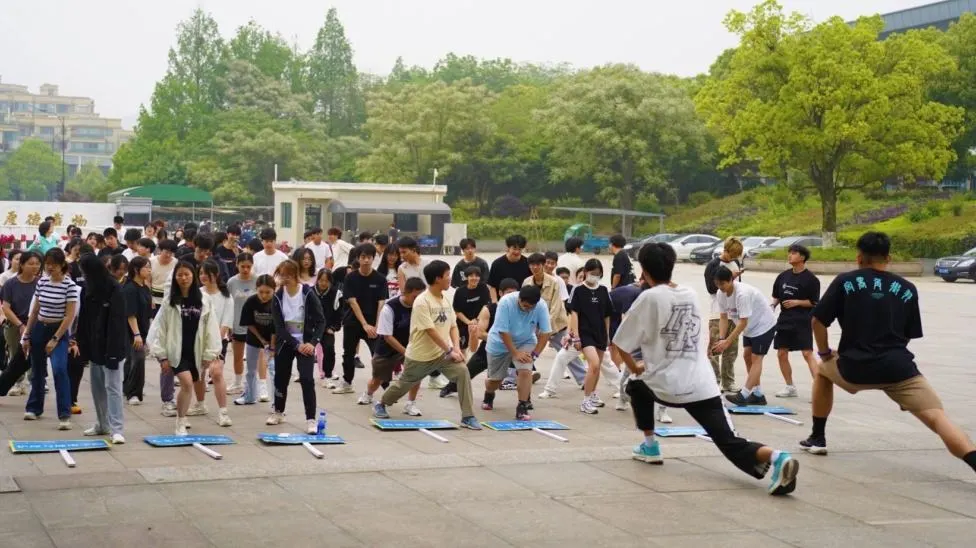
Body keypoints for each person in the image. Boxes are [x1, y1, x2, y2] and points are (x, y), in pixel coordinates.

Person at [614, 243, 799, 496]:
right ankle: (778, 457)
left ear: (644, 271)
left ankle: (650, 445)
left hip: (665, 385)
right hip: (702, 384)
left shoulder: (648, 298)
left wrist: (635, 367)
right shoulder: (689, 293)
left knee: (635, 385)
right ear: (672, 266)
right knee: (729, 442)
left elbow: (621, 342)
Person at [802, 232, 976, 474]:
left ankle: (817, 437)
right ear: (889, 258)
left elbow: (817, 321)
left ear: (859, 257)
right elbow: (908, 334)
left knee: (822, 370)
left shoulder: (845, 281)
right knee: (938, 418)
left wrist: (824, 352)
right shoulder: (907, 288)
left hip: (854, 368)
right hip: (899, 369)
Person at [373, 261, 482, 430]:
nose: (450, 278)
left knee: (462, 372)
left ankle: (468, 416)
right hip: (420, 356)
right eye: (447, 275)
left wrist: (456, 348)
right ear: (438, 278)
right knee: (403, 385)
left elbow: (453, 326)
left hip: (441, 354)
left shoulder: (445, 300)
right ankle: (382, 403)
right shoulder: (422, 301)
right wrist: (450, 350)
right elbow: (430, 330)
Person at [148, 260, 222, 435]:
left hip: (196, 351)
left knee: (190, 385)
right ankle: (180, 422)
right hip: (176, 351)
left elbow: (211, 327)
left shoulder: (204, 300)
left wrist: (210, 353)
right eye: (179, 275)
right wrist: (162, 356)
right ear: (174, 277)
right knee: (187, 384)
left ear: (193, 276)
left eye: (187, 274)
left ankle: (182, 416)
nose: (183, 278)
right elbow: (160, 329)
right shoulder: (169, 302)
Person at [22, 248, 79, 429]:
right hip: (40, 328)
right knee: (37, 370)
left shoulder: (70, 286)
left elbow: (69, 316)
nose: (49, 268)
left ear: (62, 265)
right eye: (47, 264)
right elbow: (35, 311)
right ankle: (34, 408)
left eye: (53, 265)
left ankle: (64, 414)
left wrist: (55, 338)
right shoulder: (42, 282)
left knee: (59, 369)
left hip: (59, 330)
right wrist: (26, 334)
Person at [266, 260, 325, 432]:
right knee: (281, 377)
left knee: (307, 379)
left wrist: (312, 343)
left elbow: (321, 321)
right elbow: (279, 328)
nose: (285, 278)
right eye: (282, 275)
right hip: (286, 342)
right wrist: (296, 345)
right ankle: (278, 411)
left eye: (288, 275)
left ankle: (311, 419)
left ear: (295, 274)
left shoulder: (307, 293)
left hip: (306, 343)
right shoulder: (278, 296)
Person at [77, 252, 128, 443]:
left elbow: (117, 322)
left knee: (113, 387)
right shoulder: (88, 289)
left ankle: (117, 428)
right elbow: (84, 320)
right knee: (97, 387)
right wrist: (83, 344)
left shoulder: (114, 288)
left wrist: (113, 353)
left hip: (113, 345)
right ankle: (102, 424)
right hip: (95, 345)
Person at [439, 278, 520, 398]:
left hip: (512, 350)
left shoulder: (521, 309)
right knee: (467, 372)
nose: (511, 297)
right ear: (500, 293)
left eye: (514, 293)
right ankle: (451, 387)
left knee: (524, 372)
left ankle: (525, 400)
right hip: (488, 348)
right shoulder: (489, 309)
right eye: (508, 293)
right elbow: (480, 333)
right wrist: (502, 340)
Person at [483, 285, 551, 420]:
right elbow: (503, 331)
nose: (527, 310)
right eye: (525, 306)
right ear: (519, 299)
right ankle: (489, 393)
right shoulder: (506, 302)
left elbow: (546, 332)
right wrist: (515, 353)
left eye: (531, 307)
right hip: (499, 343)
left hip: (525, 340)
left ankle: (522, 406)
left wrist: (535, 354)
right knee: (496, 380)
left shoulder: (541, 306)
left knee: (525, 370)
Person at [358, 277, 426, 413]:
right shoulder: (389, 308)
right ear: (405, 292)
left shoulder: (421, 307)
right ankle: (369, 394)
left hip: (410, 346)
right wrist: (406, 352)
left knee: (416, 375)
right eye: (415, 297)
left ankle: (410, 403)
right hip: (387, 348)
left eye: (421, 297)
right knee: (378, 379)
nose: (418, 300)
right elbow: (387, 336)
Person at [714, 266, 778, 406]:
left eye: (722, 283)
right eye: (717, 284)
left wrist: (728, 342)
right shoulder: (720, 293)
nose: (720, 287)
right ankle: (757, 394)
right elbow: (723, 317)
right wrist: (722, 339)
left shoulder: (742, 294)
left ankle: (743, 395)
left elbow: (743, 322)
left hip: (763, 325)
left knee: (756, 358)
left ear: (731, 280)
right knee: (747, 356)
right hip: (750, 328)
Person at [337, 244, 388, 394]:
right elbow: (352, 302)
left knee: (378, 355)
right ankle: (347, 382)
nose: (366, 260)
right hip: (353, 321)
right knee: (348, 353)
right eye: (363, 257)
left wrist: (377, 326)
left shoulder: (380, 279)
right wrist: (364, 324)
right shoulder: (350, 278)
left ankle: (385, 385)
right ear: (358, 258)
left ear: (373, 258)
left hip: (373, 324)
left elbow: (381, 303)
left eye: (369, 257)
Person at [566, 259, 615, 415]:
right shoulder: (578, 290)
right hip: (585, 333)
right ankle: (585, 401)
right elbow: (574, 313)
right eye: (592, 273)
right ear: (586, 272)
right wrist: (576, 336)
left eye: (598, 274)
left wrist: (607, 335)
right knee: (593, 364)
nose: (595, 276)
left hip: (600, 332)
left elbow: (607, 315)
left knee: (597, 366)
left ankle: (593, 393)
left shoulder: (603, 290)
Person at [771, 244, 821, 399]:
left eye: (793, 253)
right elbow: (776, 296)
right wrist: (772, 305)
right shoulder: (783, 276)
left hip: (802, 320)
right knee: (781, 353)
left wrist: (798, 302)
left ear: (802, 257)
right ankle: (790, 386)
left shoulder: (811, 279)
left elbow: (814, 302)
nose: (789, 255)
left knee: (807, 353)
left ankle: (820, 389)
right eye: (789, 253)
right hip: (785, 319)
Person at [193, 260, 234, 427]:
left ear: (216, 275)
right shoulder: (197, 293)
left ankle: (223, 412)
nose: (203, 276)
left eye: (206, 273)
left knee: (216, 373)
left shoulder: (226, 296)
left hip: (218, 340)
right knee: (198, 373)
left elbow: (226, 322)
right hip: (198, 340)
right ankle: (200, 404)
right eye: (201, 273)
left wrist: (215, 342)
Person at [704, 238, 744, 393]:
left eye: (736, 256)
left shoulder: (735, 263)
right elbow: (710, 288)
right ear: (725, 250)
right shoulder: (713, 265)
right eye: (731, 254)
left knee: (731, 350)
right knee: (715, 349)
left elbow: (738, 288)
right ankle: (713, 381)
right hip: (717, 312)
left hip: (734, 312)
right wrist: (730, 277)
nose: (733, 258)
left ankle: (728, 382)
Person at [0, 251, 40, 397]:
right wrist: (20, 325)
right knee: (15, 356)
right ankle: (17, 383)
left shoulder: (40, 283)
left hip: (35, 325)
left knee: (33, 357)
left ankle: (36, 381)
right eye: (31, 263)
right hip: (14, 324)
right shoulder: (10, 283)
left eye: (37, 263)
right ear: (22, 265)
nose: (35, 266)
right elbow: (6, 308)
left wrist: (29, 326)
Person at [234, 275, 276, 405]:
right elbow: (249, 323)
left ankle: (278, 402)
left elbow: (277, 327)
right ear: (256, 289)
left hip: (274, 339)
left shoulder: (277, 302)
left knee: (274, 370)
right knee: (251, 369)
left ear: (274, 290)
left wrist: (272, 346)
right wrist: (261, 339)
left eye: (268, 292)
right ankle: (250, 396)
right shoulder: (251, 301)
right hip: (254, 337)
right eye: (261, 292)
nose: (264, 295)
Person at [122, 256, 152, 406]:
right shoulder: (130, 289)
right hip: (132, 331)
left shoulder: (144, 287)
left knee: (132, 359)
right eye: (146, 267)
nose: (149, 270)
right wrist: (137, 334)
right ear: (136, 269)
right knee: (138, 359)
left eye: (150, 267)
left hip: (143, 329)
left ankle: (127, 387)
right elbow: (130, 314)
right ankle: (133, 393)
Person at [226, 252, 256, 395]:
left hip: (254, 326)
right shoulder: (231, 282)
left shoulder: (257, 280)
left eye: (248, 267)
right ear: (237, 265)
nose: (245, 269)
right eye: (242, 266)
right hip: (237, 324)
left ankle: (254, 385)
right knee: (237, 356)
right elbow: (227, 304)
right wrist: (228, 325)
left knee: (254, 358)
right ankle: (237, 382)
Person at [313, 268, 342, 385]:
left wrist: (334, 328)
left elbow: (339, 314)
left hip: (327, 328)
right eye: (321, 280)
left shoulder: (336, 294)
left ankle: (328, 375)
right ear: (317, 280)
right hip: (312, 328)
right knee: (304, 351)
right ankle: (302, 373)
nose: (323, 283)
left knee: (329, 349)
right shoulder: (310, 292)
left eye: (326, 281)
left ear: (330, 281)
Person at [452, 266, 491, 353]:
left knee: (477, 347)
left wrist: (477, 320)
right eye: (471, 276)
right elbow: (457, 311)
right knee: (462, 348)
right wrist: (469, 322)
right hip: (464, 323)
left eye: (477, 276)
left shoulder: (483, 287)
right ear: (467, 277)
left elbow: (486, 305)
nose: (474, 278)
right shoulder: (460, 291)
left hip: (479, 321)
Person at [487, 234, 530, 302]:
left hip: (523, 301)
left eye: (519, 249)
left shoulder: (528, 263)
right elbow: (492, 286)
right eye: (514, 248)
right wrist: (495, 302)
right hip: (503, 301)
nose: (517, 252)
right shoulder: (497, 264)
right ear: (508, 247)